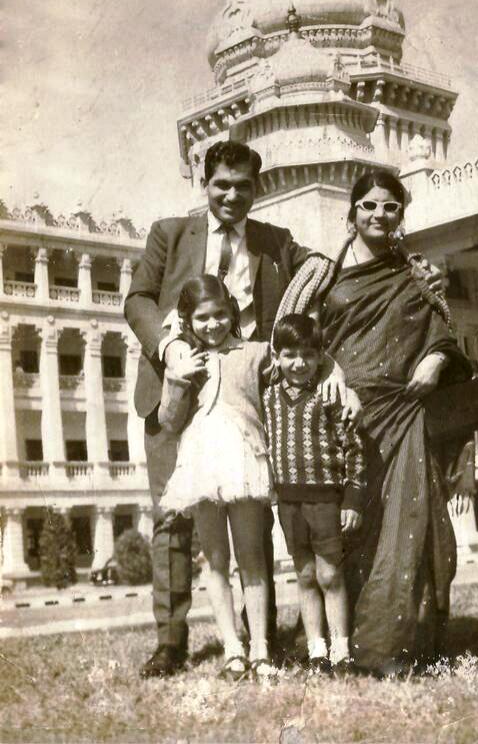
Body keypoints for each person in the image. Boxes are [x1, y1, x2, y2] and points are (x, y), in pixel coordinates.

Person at [124, 140, 359, 679]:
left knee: (256, 516)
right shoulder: (170, 233)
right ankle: (171, 642)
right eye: (221, 184)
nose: (232, 195)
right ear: (204, 184)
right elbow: (138, 300)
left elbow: (327, 275)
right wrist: (170, 347)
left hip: (249, 391)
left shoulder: (274, 241)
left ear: (257, 188)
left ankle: (262, 641)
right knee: (173, 521)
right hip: (175, 390)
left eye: (243, 186)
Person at [278, 169, 474, 678]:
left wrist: (437, 357)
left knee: (407, 523)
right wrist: (332, 372)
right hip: (342, 417)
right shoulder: (324, 275)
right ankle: (339, 643)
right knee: (346, 531)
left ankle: (397, 643)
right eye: (369, 206)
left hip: (403, 410)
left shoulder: (417, 274)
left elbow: (446, 332)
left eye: (390, 207)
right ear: (352, 213)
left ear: (401, 216)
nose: (379, 215)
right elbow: (293, 338)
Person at [157, 275, 277, 681]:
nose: (213, 325)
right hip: (202, 461)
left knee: (252, 556)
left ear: (233, 312)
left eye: (221, 315)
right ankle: (233, 648)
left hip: (244, 458)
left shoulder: (257, 352)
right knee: (215, 560)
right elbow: (169, 422)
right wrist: (176, 378)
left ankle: (260, 647)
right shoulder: (187, 361)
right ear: (188, 321)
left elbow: (299, 367)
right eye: (203, 318)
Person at [263, 314, 367, 677]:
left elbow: (353, 448)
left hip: (325, 499)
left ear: (321, 356)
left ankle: (341, 651)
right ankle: (316, 650)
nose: (298, 363)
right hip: (289, 502)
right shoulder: (269, 397)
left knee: (330, 575)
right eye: (289, 354)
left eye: (307, 354)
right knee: (305, 574)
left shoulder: (330, 394)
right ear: (276, 357)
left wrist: (352, 499)